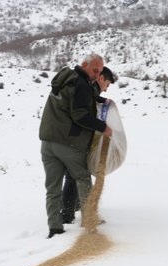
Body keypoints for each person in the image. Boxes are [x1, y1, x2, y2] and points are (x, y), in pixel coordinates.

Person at [40, 54, 113, 239]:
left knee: (52, 187)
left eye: (99, 72)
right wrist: (103, 127)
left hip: (48, 142)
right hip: (68, 143)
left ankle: (55, 228)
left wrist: (98, 100)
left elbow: (76, 102)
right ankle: (89, 221)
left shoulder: (66, 79)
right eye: (95, 70)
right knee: (82, 178)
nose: (97, 75)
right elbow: (80, 115)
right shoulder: (81, 83)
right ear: (84, 65)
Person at [61, 66, 117, 224]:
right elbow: (82, 114)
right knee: (74, 176)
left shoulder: (90, 89)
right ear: (100, 78)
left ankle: (75, 207)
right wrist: (103, 128)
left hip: (71, 137)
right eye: (107, 84)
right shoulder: (88, 88)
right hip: (73, 138)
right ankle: (67, 214)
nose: (106, 89)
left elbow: (92, 99)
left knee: (73, 175)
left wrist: (102, 100)